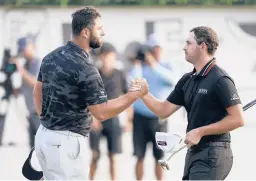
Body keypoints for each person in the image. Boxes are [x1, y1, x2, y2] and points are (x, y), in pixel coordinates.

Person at [33, 6, 148, 180]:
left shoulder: (50, 57)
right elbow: (101, 112)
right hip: (66, 144)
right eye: (99, 28)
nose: (103, 33)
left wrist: (46, 121)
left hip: (44, 136)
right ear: (86, 32)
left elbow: (37, 92)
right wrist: (134, 95)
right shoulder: (85, 67)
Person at [134, 26, 245, 180]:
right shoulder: (188, 79)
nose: (184, 47)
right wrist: (144, 94)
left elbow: (238, 119)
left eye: (188, 43)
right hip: (194, 152)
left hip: (215, 152)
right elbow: (163, 110)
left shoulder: (220, 79)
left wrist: (200, 131)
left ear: (203, 46)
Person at [128, 40, 177, 180]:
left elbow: (173, 80)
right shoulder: (140, 67)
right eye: (152, 49)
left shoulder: (166, 66)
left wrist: (154, 65)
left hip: (159, 119)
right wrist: (138, 64)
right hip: (140, 118)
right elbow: (132, 82)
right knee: (139, 156)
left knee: (160, 157)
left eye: (158, 49)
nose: (155, 52)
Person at [89, 42, 133, 180]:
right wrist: (92, 119)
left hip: (113, 119)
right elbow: (88, 99)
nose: (107, 59)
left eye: (110, 56)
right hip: (96, 119)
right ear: (100, 57)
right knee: (95, 155)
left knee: (113, 156)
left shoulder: (120, 74)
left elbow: (128, 98)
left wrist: (129, 120)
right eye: (104, 56)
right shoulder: (93, 74)